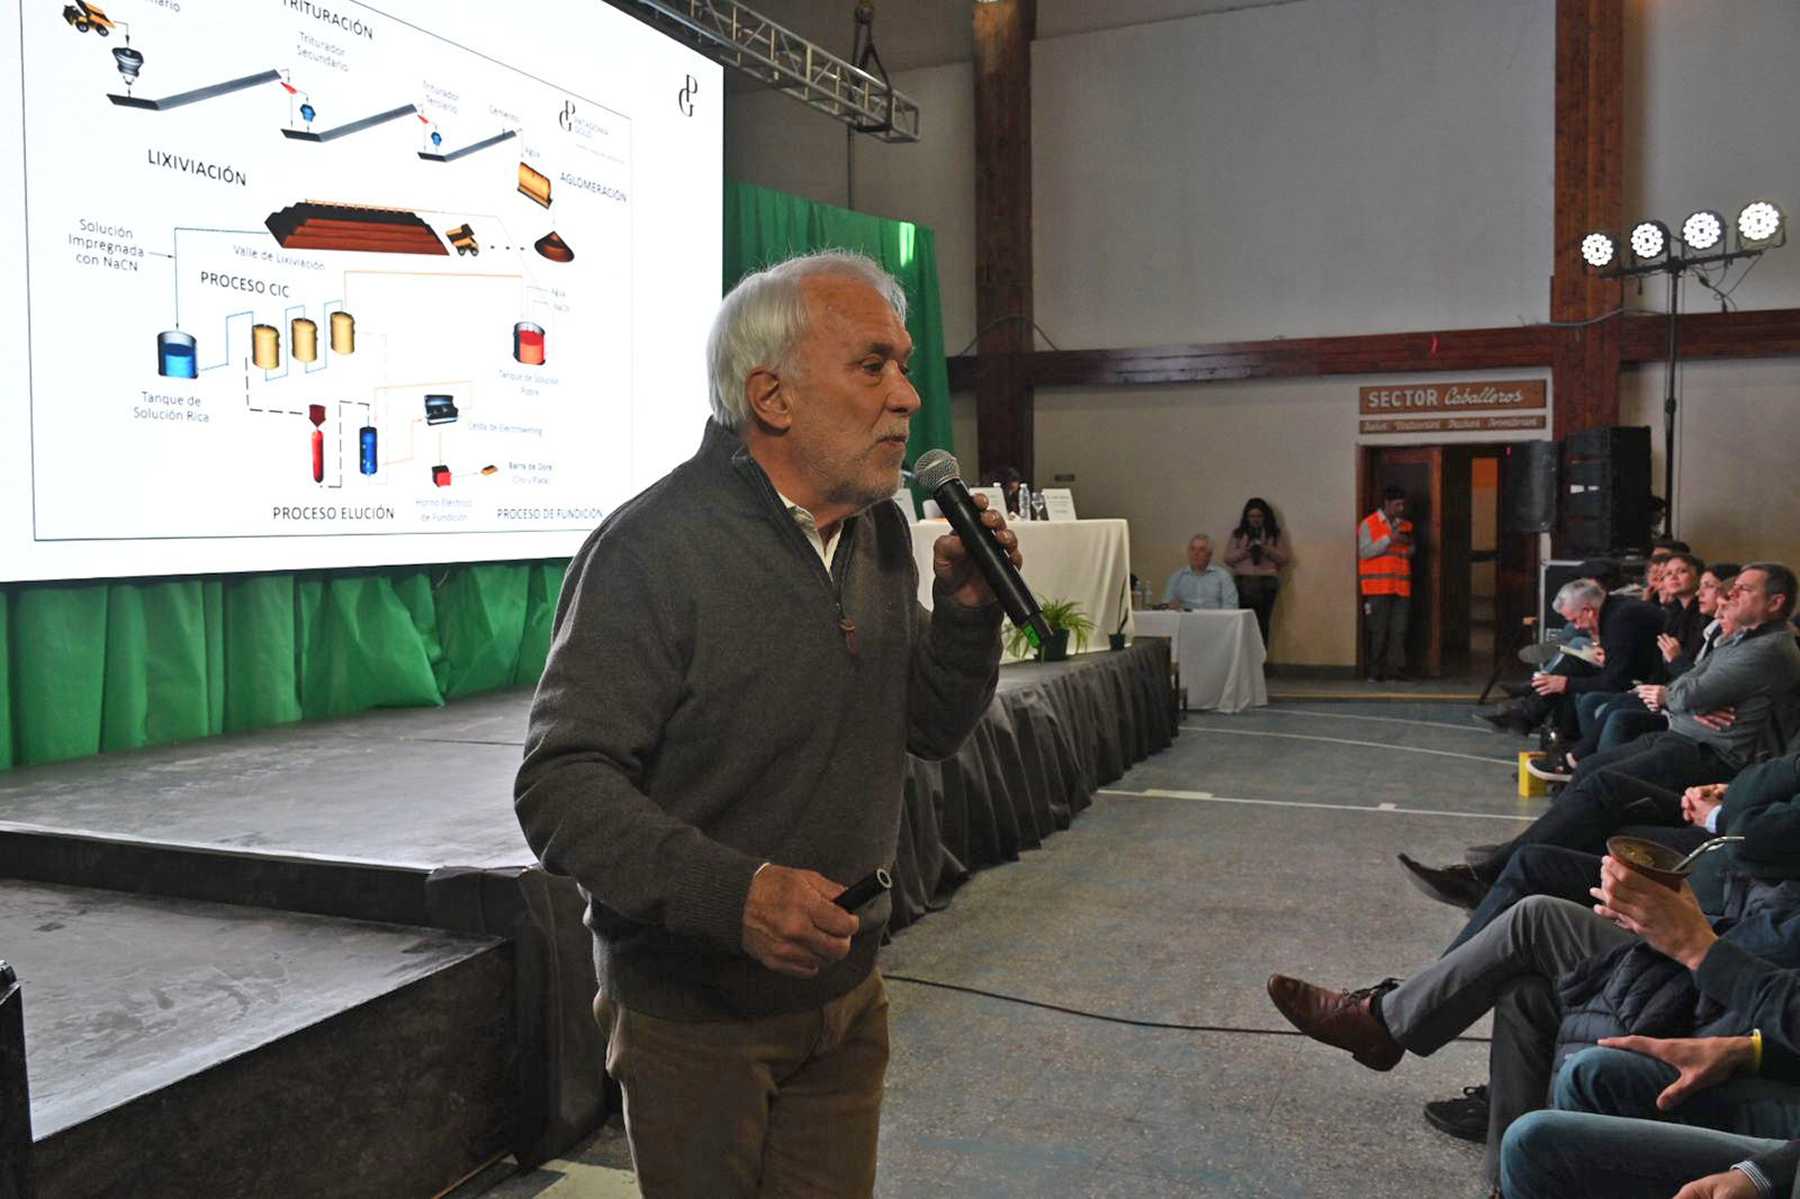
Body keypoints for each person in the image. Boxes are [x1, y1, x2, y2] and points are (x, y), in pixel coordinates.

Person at [513, 251, 1013, 1198]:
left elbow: (931, 727)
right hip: (696, 1021)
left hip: (846, 998)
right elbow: (559, 786)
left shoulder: (878, 533)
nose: (908, 397)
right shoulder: (652, 549)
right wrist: (732, 895)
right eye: (874, 366)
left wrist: (970, 613)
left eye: (905, 365)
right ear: (772, 397)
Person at [1358, 485, 1414, 682]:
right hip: (1378, 587)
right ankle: (1375, 672)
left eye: (1403, 505)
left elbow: (1408, 548)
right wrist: (1389, 539)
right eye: (1397, 504)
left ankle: (1396, 670)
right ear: (1387, 503)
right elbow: (1364, 552)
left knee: (1399, 630)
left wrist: (1410, 550)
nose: (1401, 508)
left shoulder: (1405, 525)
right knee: (1378, 630)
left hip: (1401, 586)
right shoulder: (1369, 524)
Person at [1223, 497, 1287, 650]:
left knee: (1262, 623)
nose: (1255, 520)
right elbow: (1227, 558)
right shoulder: (1238, 534)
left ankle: (1261, 663)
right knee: (1243, 622)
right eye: (1252, 516)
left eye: (1259, 516)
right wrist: (1245, 551)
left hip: (1266, 582)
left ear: (1265, 516)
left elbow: (1284, 558)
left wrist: (1266, 549)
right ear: (1246, 517)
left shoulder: (1274, 534)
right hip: (1243, 581)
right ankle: (1244, 659)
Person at [1161, 534, 1238, 611]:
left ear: (1209, 554)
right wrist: (1170, 606)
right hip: (1186, 620)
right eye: (1192, 549)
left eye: (1201, 550)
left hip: (1215, 621)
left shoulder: (1223, 576)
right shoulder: (1177, 577)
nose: (1196, 553)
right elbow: (1166, 605)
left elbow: (1231, 607)